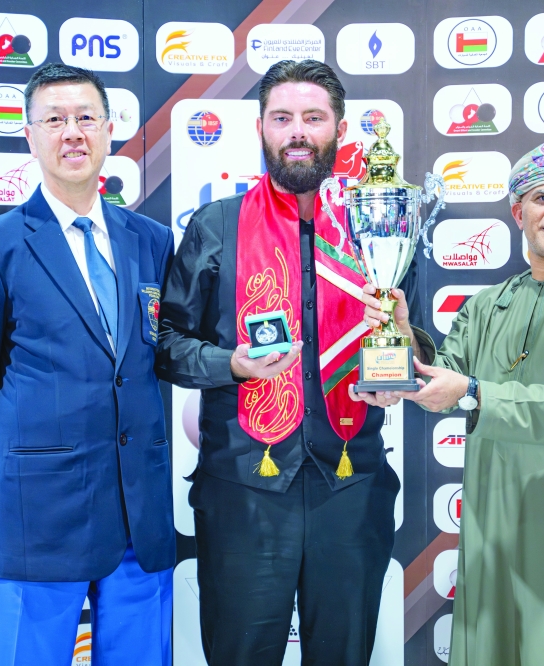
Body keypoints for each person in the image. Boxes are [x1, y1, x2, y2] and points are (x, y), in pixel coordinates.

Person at [155, 59, 433, 665]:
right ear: (260, 128)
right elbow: (167, 345)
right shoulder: (215, 225)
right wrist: (232, 364)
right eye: (282, 118)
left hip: (351, 486)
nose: (298, 131)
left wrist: (400, 371)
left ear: (340, 129)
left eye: (313, 117)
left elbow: (416, 340)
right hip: (242, 490)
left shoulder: (377, 223)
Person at [356, 141, 544, 665]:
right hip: (492, 525)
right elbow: (442, 378)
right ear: (519, 212)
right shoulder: (486, 305)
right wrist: (400, 340)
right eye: (542, 197)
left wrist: (474, 392)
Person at [0, 63, 174, 666]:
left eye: (86, 118)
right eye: (54, 120)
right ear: (30, 135)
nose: (73, 132)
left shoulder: (151, 240)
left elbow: (155, 354)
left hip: (140, 515)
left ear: (109, 129)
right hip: (39, 518)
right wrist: (19, 477)